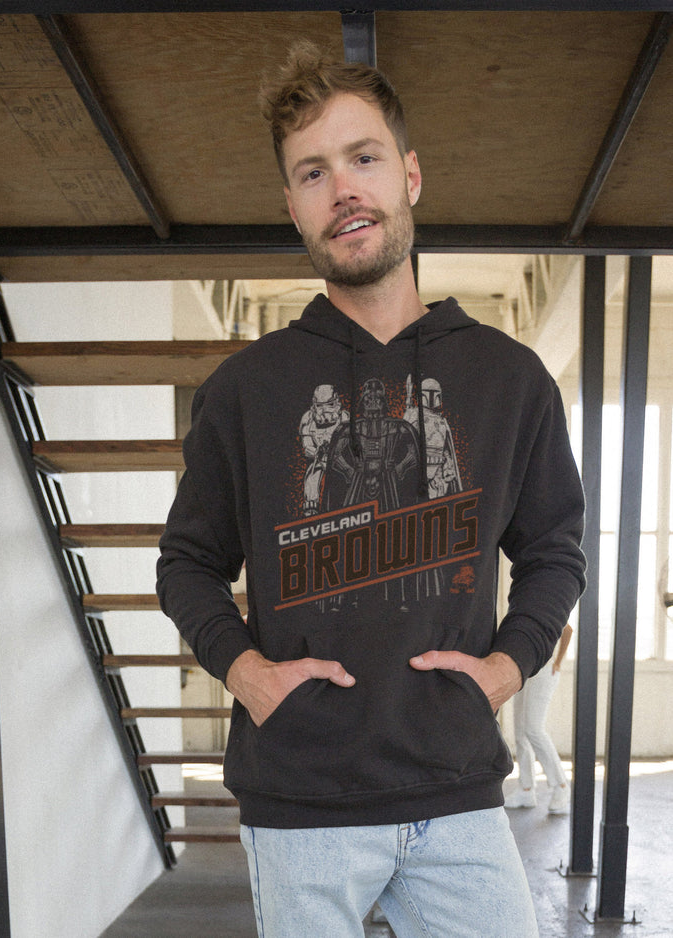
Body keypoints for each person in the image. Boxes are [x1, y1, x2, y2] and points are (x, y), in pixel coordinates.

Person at [156, 41, 586, 938]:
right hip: (300, 800)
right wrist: (247, 675)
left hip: (457, 791)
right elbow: (188, 563)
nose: (343, 189)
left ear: (410, 175)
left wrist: (507, 668)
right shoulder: (246, 391)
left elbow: (555, 551)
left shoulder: (510, 381)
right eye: (313, 173)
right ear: (292, 207)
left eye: (363, 158)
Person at [505, 623, 574, 814]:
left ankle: (561, 786)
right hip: (524, 670)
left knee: (533, 729)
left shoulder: (546, 605)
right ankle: (526, 790)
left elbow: (567, 629)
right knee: (520, 732)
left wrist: (558, 662)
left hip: (545, 671)